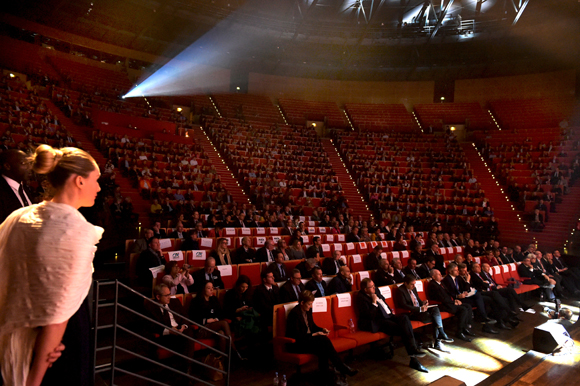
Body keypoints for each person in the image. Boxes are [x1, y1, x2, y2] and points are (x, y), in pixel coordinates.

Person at [0, 144, 103, 386]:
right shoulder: (75, 229)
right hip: (57, 346)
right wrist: (33, 380)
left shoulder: (19, 217)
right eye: (96, 180)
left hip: (15, 340)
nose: (98, 188)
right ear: (79, 181)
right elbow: (58, 315)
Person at [356, 278, 429, 372]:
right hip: (378, 321)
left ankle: (413, 353)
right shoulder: (361, 298)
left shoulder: (376, 291)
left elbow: (383, 302)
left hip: (389, 315)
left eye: (374, 286)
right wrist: (374, 302)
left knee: (405, 318)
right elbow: (370, 316)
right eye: (371, 287)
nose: (374, 288)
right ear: (365, 289)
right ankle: (413, 357)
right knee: (404, 329)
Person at [286, 291, 358, 383]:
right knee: (323, 340)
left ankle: (325, 375)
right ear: (302, 303)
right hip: (297, 344)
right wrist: (315, 334)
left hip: (308, 340)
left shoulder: (308, 311)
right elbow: (297, 336)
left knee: (323, 348)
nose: (311, 306)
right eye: (309, 304)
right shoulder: (294, 314)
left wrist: (321, 329)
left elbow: (312, 326)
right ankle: (341, 367)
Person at [394, 275, 454, 353]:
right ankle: (439, 338)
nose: (414, 286)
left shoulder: (413, 288)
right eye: (412, 284)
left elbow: (418, 300)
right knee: (434, 317)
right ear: (406, 283)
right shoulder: (400, 290)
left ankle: (440, 334)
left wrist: (423, 302)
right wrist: (419, 309)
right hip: (412, 312)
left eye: (414, 284)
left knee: (435, 309)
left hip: (420, 309)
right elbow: (404, 305)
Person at [145, 284, 197, 368]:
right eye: (166, 295)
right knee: (187, 339)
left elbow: (185, 316)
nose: (169, 297)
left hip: (181, 330)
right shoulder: (151, 307)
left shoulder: (175, 302)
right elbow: (152, 326)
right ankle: (187, 370)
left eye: (169, 294)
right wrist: (169, 331)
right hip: (167, 336)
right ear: (158, 297)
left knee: (188, 334)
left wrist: (183, 326)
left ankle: (186, 370)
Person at [189, 281, 243, 360]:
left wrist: (216, 319)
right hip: (201, 328)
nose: (211, 290)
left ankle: (221, 360)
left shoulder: (214, 299)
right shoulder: (196, 301)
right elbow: (192, 318)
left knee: (221, 333)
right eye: (208, 288)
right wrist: (207, 321)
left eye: (212, 288)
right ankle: (234, 351)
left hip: (215, 326)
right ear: (203, 289)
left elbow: (221, 314)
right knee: (224, 323)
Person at [426, 270, 475, 342]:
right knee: (463, 309)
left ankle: (465, 328)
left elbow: (449, 294)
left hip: (449, 302)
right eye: (439, 274)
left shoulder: (441, 283)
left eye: (440, 274)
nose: (441, 276)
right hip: (441, 305)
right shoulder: (433, 285)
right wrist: (453, 302)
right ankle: (459, 332)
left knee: (468, 306)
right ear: (433, 277)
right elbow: (441, 298)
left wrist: (455, 299)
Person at [0, 149, 32, 224]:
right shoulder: (1, 191)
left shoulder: (24, 189)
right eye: (23, 163)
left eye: (29, 163)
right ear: (7, 166)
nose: (29, 167)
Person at [223, 275, 261, 340]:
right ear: (238, 285)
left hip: (248, 317)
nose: (244, 289)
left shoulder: (248, 293)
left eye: (246, 287)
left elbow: (252, 305)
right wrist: (239, 309)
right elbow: (226, 311)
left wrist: (249, 309)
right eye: (242, 287)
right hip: (236, 318)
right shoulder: (230, 294)